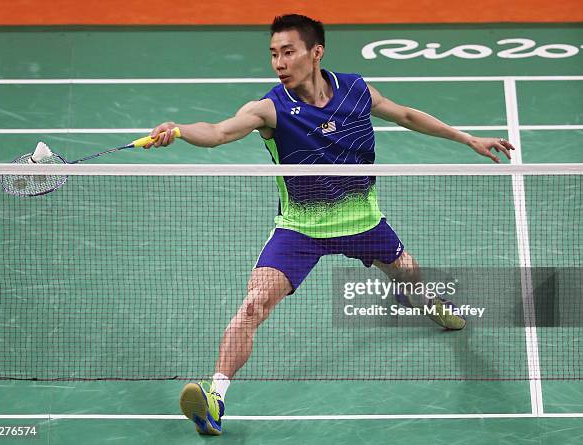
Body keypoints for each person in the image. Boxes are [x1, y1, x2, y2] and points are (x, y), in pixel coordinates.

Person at [145, 14, 515, 436]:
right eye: (273, 54)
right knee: (254, 305)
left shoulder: (355, 91)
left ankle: (428, 303)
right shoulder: (269, 109)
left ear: (315, 52)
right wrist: (178, 130)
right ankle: (215, 396)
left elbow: (407, 115)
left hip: (362, 221)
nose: (279, 63)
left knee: (409, 277)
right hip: (300, 230)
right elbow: (217, 132)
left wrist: (468, 139)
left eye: (288, 52)